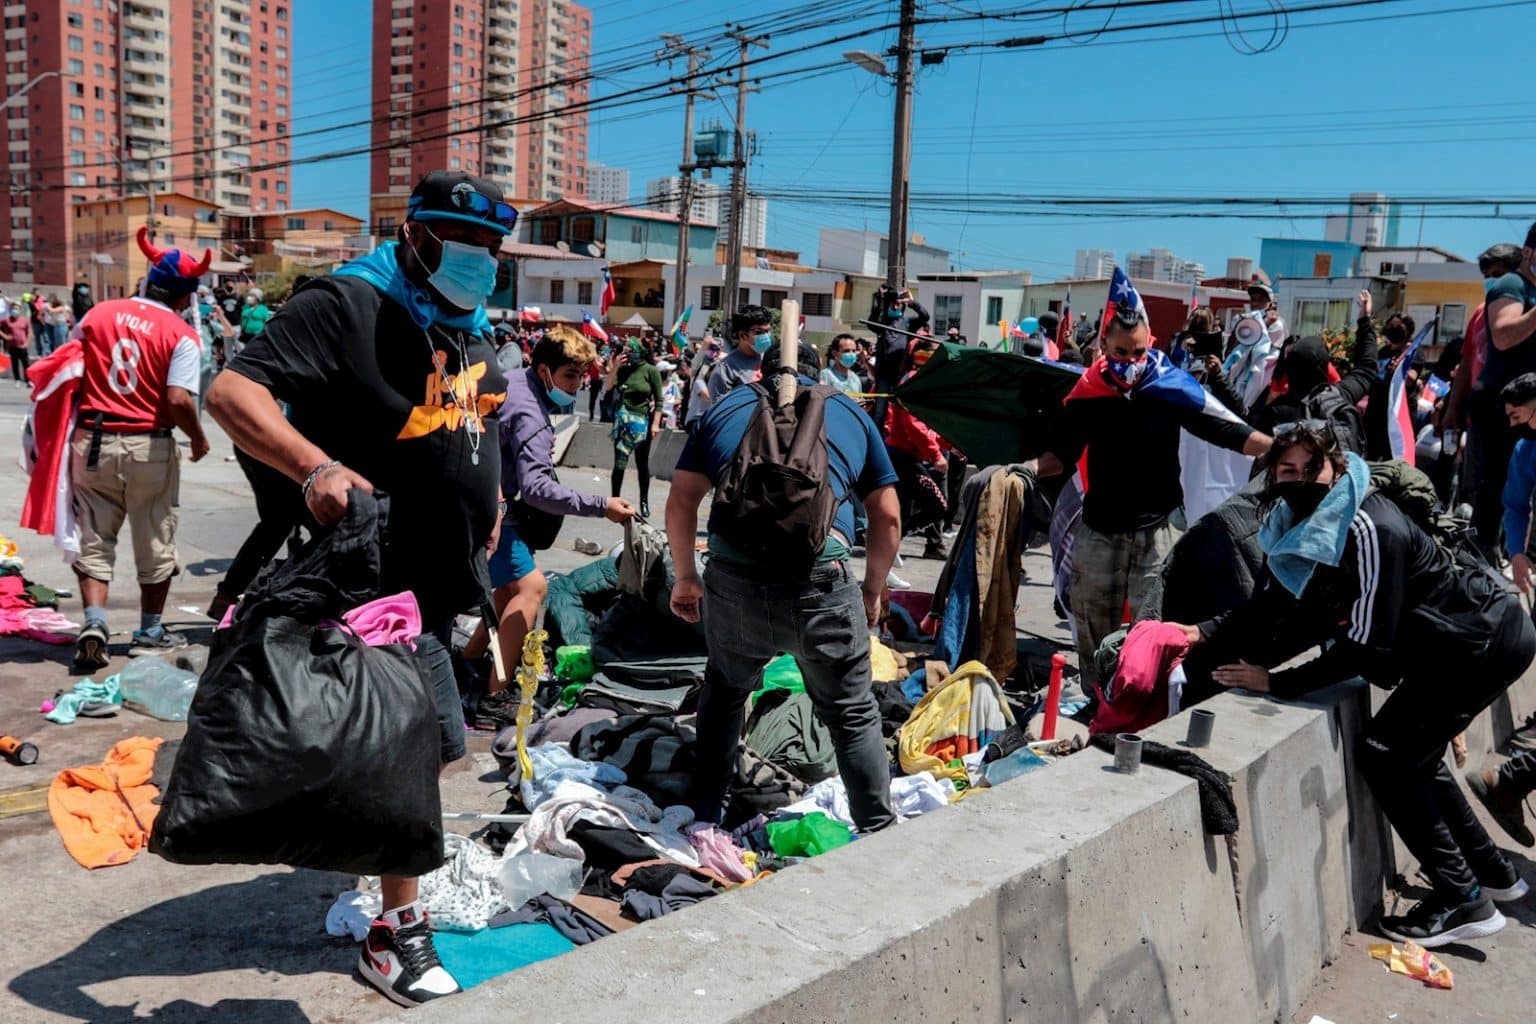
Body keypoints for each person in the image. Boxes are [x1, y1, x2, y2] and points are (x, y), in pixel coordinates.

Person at [207, 170, 516, 1007]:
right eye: (465, 244)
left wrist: (486, 507)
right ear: (414, 236)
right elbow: (232, 391)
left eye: (492, 248)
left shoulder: (465, 327)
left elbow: (466, 425)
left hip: (440, 584)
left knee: (444, 747)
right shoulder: (347, 306)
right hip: (375, 583)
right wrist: (316, 468)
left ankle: (373, 852)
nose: (481, 261)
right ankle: (395, 937)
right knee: (409, 757)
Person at [1176, 424, 1534, 947]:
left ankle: (1461, 897)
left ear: (1336, 469)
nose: (1298, 481)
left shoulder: (1366, 526)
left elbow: (1365, 648)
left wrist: (1277, 682)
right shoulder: (1297, 524)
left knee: (1385, 753)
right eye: (1286, 471)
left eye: (1310, 470)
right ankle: (1492, 873)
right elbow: (1285, 607)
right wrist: (1206, 633)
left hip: (1477, 642)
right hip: (1471, 635)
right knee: (1418, 752)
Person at [666, 340, 901, 834]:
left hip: (734, 581)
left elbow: (683, 498)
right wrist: (872, 590)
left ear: (760, 374)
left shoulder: (727, 407)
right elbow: (888, 516)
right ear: (821, 377)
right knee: (851, 712)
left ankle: (705, 814)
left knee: (726, 693)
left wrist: (686, 577)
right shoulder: (849, 413)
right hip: (822, 582)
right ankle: (878, 831)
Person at [1031, 304, 1271, 693]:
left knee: (1154, 626)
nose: (1131, 361)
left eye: (1139, 352)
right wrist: (1024, 468)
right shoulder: (1088, 393)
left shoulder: (1167, 386)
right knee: (1092, 619)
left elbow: (1226, 429)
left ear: (1151, 345)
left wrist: (1278, 449)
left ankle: (1149, 702)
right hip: (1100, 525)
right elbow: (1062, 454)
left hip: (1159, 525)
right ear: (1104, 344)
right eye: (1121, 352)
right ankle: (1100, 700)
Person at [468, 326, 636, 726]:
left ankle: (470, 661)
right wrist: (601, 506)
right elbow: (538, 488)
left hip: (474, 497)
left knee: (508, 589)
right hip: (491, 507)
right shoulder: (531, 415)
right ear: (544, 371)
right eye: (569, 376)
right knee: (533, 587)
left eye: (581, 376)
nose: (577, 386)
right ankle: (494, 696)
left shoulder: (513, 382)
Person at [69, 228, 212, 670]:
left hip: (92, 441)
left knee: (94, 537)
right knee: (155, 539)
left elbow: (68, 371)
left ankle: (94, 620)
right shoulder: (181, 334)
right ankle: (149, 631)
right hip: (149, 446)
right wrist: (198, 436)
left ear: (147, 280)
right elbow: (177, 399)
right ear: (186, 297)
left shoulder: (97, 314)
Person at [1468, 223, 1536, 559]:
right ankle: (1483, 558)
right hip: (1502, 406)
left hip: (1527, 405)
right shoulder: (1511, 285)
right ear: (1528, 253)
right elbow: (1504, 334)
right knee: (1497, 484)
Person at [884, 336, 950, 560]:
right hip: (903, 456)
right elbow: (914, 424)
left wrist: (948, 445)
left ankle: (890, 548)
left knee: (903, 510)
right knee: (937, 506)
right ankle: (888, 545)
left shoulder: (921, 381)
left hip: (909, 455)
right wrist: (937, 455)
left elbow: (931, 424)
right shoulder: (913, 380)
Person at [606, 338, 663, 518]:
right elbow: (608, 386)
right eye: (625, 350)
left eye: (630, 350)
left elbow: (659, 400)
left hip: (642, 425)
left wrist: (655, 424)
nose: (627, 353)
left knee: (642, 465)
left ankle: (644, 501)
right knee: (619, 466)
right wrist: (615, 367)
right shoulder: (623, 370)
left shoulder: (650, 371)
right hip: (622, 425)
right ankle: (615, 500)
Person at [707, 304, 773, 403]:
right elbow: (721, 411)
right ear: (743, 335)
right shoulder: (725, 370)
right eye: (759, 332)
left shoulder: (772, 359)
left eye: (768, 331)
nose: (766, 336)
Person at [4, 305, 30, 387]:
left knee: (26, 364)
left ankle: (28, 380)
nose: (15, 311)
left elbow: (29, 333)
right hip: (12, 345)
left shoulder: (24, 320)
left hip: (22, 346)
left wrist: (27, 343)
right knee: (15, 364)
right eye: (13, 309)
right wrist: (5, 336)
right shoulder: (7, 320)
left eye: (16, 309)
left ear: (19, 310)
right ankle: (17, 380)